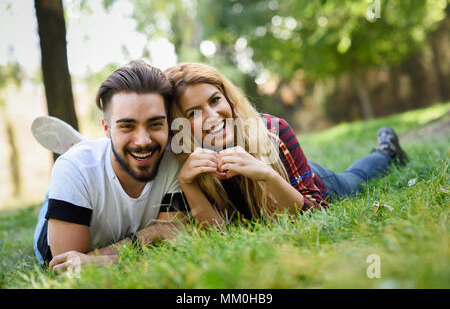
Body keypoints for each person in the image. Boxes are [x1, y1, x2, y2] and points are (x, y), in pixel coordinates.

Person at [162, 62, 409, 226]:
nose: (212, 116)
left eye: (215, 100)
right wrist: (187, 183)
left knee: (356, 178)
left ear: (228, 98)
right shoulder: (185, 161)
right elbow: (214, 235)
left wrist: (267, 175)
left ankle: (386, 150)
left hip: (305, 181)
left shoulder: (273, 130)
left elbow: (315, 213)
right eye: (193, 113)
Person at [33, 61, 188, 273]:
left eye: (155, 124)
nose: (143, 140)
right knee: (70, 172)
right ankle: (64, 183)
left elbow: (172, 234)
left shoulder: (175, 162)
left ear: (168, 125)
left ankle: (95, 149)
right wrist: (152, 233)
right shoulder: (74, 168)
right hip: (75, 177)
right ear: (106, 128)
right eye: (127, 126)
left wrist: (98, 260)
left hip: (90, 172)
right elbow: (67, 265)